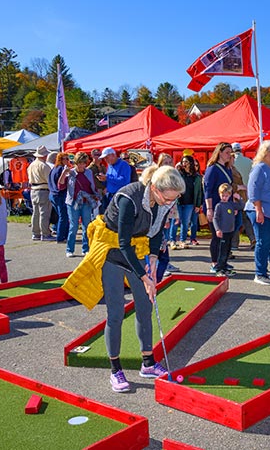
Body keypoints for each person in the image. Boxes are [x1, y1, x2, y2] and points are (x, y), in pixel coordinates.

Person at [62, 166, 186, 392]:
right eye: (168, 199)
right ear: (156, 190)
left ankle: (148, 363)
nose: (171, 204)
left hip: (137, 252)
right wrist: (144, 276)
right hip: (112, 254)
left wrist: (154, 257)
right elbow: (123, 244)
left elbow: (156, 232)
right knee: (116, 313)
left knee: (145, 306)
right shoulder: (129, 198)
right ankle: (115, 370)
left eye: (174, 199)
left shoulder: (165, 202)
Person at [245, 140, 270, 285]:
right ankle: (260, 273)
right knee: (263, 242)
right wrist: (258, 210)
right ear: (266, 151)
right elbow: (253, 191)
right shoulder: (259, 168)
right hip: (261, 210)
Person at [59, 152, 100, 258]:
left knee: (87, 226)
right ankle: (70, 249)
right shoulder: (70, 172)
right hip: (73, 203)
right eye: (79, 163)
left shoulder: (89, 172)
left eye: (84, 163)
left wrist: (96, 196)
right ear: (75, 163)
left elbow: (92, 186)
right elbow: (60, 186)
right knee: (74, 226)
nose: (82, 166)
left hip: (86, 202)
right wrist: (64, 173)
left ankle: (85, 249)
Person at [203, 142, 234, 273]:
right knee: (217, 236)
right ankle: (215, 262)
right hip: (215, 207)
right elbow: (208, 190)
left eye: (230, 153)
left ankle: (223, 261)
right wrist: (209, 209)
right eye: (227, 152)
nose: (229, 155)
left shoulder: (228, 168)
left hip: (227, 207)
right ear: (219, 153)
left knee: (227, 236)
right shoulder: (212, 169)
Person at [213, 183, 243, 277]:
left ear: (230, 195)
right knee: (222, 251)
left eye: (226, 196)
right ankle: (219, 269)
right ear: (220, 195)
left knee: (227, 251)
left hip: (230, 232)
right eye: (223, 195)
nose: (224, 197)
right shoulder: (219, 206)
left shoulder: (231, 204)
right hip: (223, 232)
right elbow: (215, 218)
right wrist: (218, 229)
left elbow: (242, 206)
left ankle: (224, 267)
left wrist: (239, 198)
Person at [27, 145, 54, 241]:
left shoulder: (31, 165)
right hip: (43, 189)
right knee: (44, 213)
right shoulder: (44, 166)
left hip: (33, 190)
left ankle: (36, 233)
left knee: (36, 213)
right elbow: (49, 180)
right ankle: (45, 233)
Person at [176, 155, 203, 248]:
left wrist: (198, 204)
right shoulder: (179, 174)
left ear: (191, 163)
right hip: (179, 201)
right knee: (176, 221)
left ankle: (183, 240)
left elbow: (199, 191)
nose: (184, 164)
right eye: (183, 162)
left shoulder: (196, 176)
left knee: (186, 222)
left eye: (186, 162)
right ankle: (172, 240)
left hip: (190, 202)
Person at [49, 152, 70, 243]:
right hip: (59, 195)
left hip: (52, 194)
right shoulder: (62, 169)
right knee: (63, 216)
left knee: (61, 216)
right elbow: (61, 184)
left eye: (67, 159)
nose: (67, 161)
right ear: (60, 160)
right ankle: (61, 237)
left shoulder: (54, 168)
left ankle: (62, 235)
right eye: (65, 159)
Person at [87, 148, 107, 215]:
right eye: (96, 155)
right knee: (95, 213)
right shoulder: (89, 169)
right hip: (95, 192)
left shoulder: (103, 167)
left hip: (104, 192)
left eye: (100, 155)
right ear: (92, 156)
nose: (99, 156)